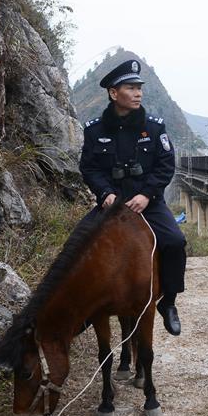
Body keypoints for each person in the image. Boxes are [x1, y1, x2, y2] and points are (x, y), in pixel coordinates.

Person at [78, 59, 186, 335]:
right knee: (77, 246)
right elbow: (88, 168)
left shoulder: (154, 127)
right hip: (112, 205)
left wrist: (147, 195)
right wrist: (105, 193)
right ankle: (84, 308)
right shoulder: (94, 130)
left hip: (147, 204)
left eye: (139, 87)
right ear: (114, 93)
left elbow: (165, 165)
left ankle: (169, 302)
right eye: (130, 87)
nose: (138, 93)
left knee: (175, 242)